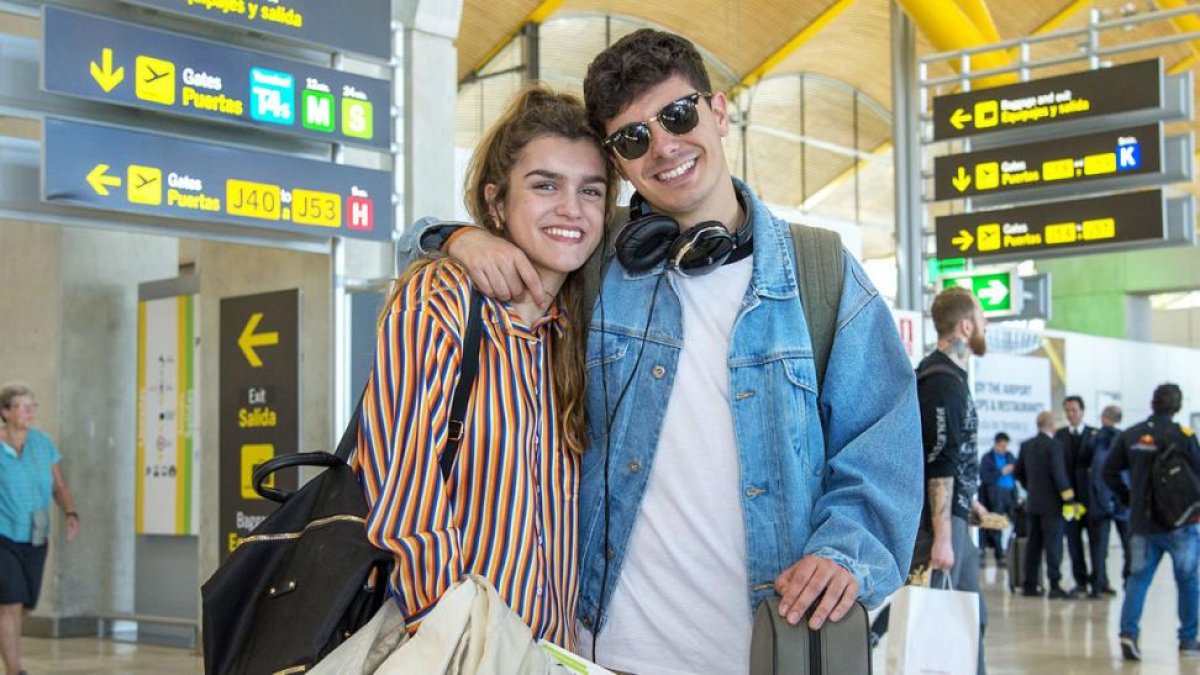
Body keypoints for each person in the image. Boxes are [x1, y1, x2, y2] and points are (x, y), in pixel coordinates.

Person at [401, 28, 923, 674]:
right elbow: (462, 241)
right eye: (633, 138)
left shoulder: (821, 272)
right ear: (618, 163)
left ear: (720, 111)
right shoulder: (594, 263)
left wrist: (848, 549)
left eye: (678, 116)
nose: (664, 147)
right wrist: (453, 237)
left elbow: (884, 442)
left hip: (765, 652)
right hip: (599, 653)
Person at [354, 85, 617, 650]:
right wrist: (459, 637)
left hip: (552, 653)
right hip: (457, 647)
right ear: (496, 202)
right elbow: (402, 485)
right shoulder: (442, 298)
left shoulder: (577, 332)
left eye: (589, 191)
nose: (571, 209)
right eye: (545, 185)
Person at [1103, 384, 1200, 662]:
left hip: (1142, 522)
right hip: (1181, 524)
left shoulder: (1131, 434)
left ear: (1152, 402)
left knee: (1138, 579)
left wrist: (1128, 498)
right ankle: (1188, 638)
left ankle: (1128, 633)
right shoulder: (1184, 436)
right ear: (1177, 407)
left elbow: (1108, 472)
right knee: (1188, 580)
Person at [0, 384, 80, 675]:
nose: (29, 411)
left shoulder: (42, 443)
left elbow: (58, 486)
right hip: (3, 537)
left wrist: (70, 512)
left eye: (32, 405)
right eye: (22, 406)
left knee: (25, 606)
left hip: (35, 536)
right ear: (5, 412)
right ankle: (14, 669)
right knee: (10, 602)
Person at [1014, 410, 1074, 600]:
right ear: (1051, 424)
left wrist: (1031, 489)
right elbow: (1059, 474)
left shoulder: (1026, 445)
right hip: (1052, 505)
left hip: (1033, 504)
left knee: (1033, 545)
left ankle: (1029, 584)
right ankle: (1054, 584)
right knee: (1053, 546)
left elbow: (1019, 473)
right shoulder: (1055, 446)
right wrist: (1068, 498)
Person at [1054, 395, 1098, 597]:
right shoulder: (1059, 436)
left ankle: (1098, 582)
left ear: (1082, 411)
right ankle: (1080, 581)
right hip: (1069, 502)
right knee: (1074, 544)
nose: (1071, 414)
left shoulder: (1095, 435)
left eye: (1074, 410)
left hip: (1091, 499)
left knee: (1097, 543)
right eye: (1068, 411)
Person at [1087, 405, 1125, 597]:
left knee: (1099, 547)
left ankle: (1098, 584)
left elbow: (1095, 474)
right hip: (1119, 501)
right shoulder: (1122, 438)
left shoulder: (1096, 439)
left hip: (1101, 501)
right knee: (1126, 547)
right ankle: (1123, 583)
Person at [979, 432, 1017, 566]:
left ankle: (1012, 551)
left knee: (1017, 523)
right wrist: (1001, 472)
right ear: (996, 444)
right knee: (997, 525)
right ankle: (999, 554)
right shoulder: (987, 458)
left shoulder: (1010, 456)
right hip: (995, 495)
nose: (1004, 449)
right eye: (1001, 446)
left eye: (1006, 446)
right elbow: (984, 477)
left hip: (1010, 494)